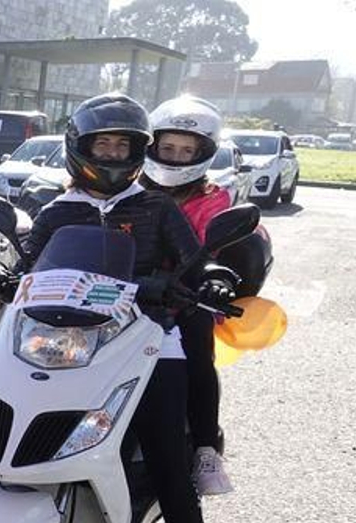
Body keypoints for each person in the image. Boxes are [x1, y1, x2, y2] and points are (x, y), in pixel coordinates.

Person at [0, 93, 232, 523]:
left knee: (166, 449)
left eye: (124, 144)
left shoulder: (156, 208)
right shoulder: (60, 209)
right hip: (56, 337)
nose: (115, 153)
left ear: (139, 151)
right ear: (82, 149)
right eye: (105, 144)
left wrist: (204, 277)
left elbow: (196, 258)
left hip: (143, 336)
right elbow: (27, 256)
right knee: (4, 420)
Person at [139, 94, 233, 495]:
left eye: (186, 150)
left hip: (186, 299)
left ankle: (206, 448)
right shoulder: (129, 188)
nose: (176, 157)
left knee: (197, 353)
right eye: (168, 148)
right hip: (128, 296)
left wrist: (212, 280)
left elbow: (210, 250)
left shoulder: (213, 199)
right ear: (153, 146)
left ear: (202, 153)